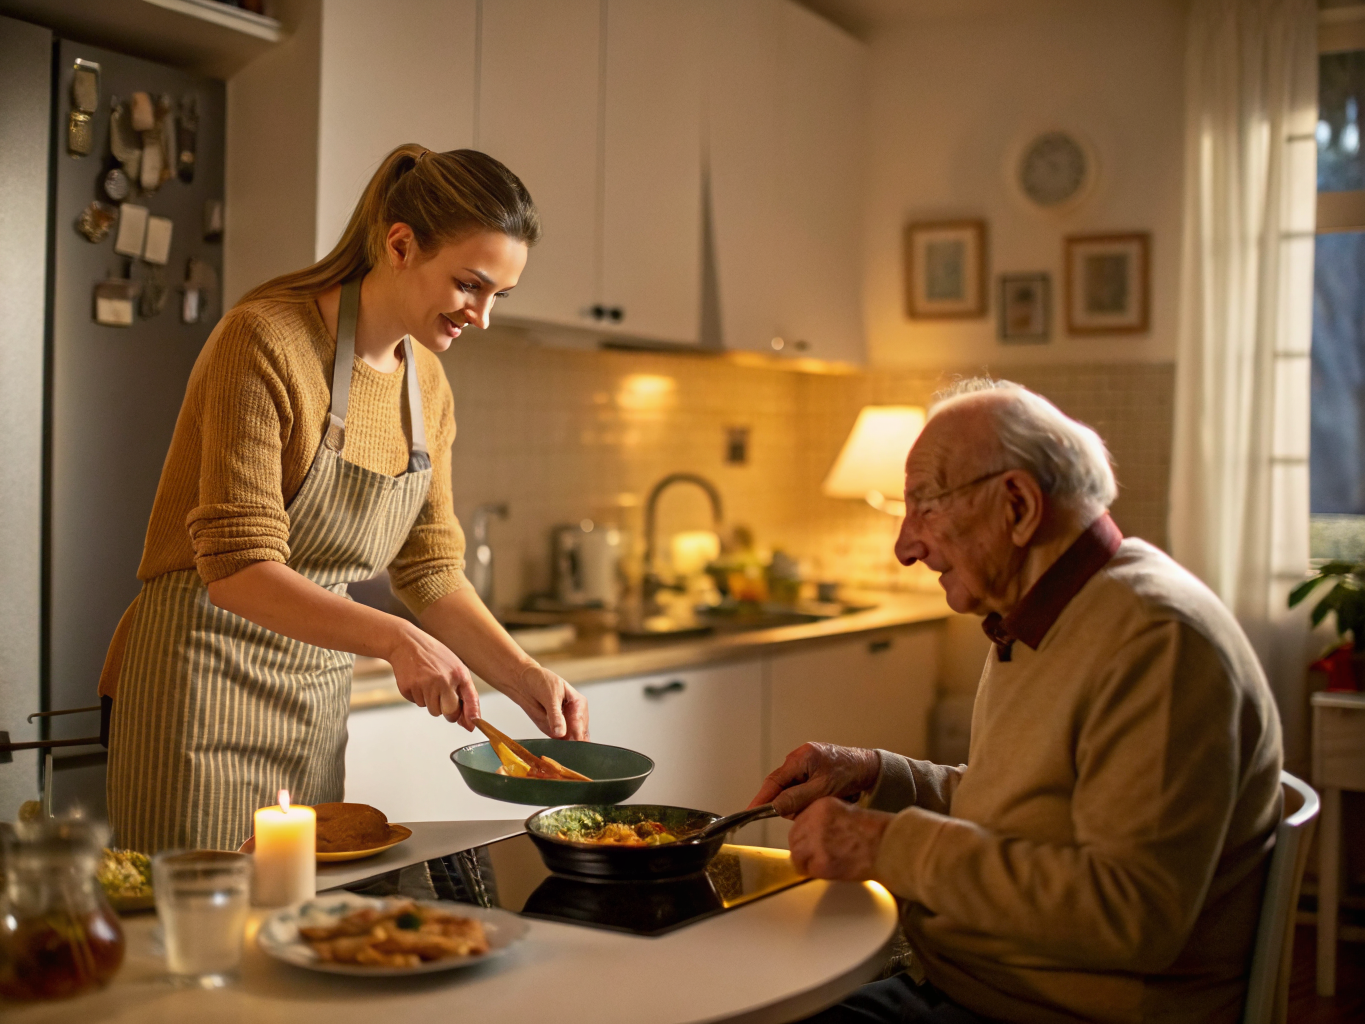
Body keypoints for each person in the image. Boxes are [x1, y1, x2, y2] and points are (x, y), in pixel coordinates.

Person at [102, 144, 588, 853]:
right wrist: (394, 638)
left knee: (295, 923)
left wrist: (521, 674)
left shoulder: (428, 388)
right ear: (400, 243)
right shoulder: (264, 339)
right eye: (469, 285)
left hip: (311, 700)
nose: (482, 316)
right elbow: (237, 569)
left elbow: (430, 569)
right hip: (199, 687)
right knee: (195, 937)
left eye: (498, 297)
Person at [754, 379, 1283, 1024]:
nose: (906, 545)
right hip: (975, 983)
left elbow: (1132, 914)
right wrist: (876, 774)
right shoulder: (1044, 615)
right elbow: (1026, 816)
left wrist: (886, 847)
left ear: (1018, 505)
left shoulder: (1158, 640)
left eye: (926, 505)